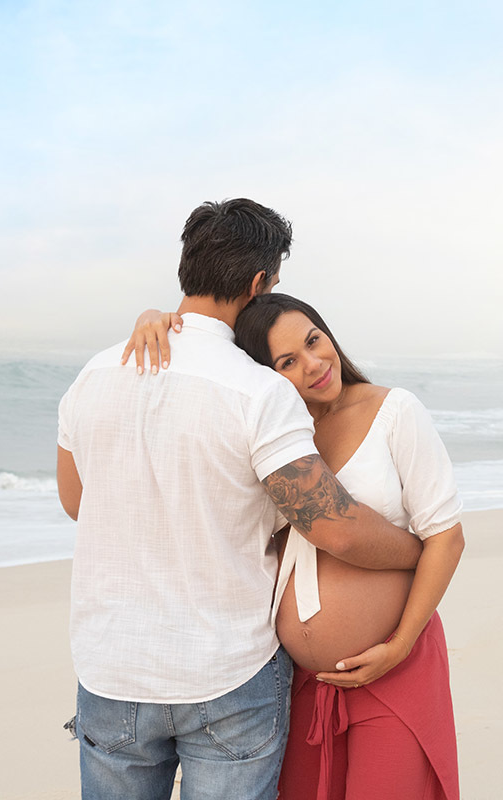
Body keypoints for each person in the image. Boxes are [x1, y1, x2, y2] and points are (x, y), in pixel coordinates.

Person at [56, 199, 423, 800]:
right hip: (225, 674)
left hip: (112, 669)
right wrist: (421, 551)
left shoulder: (93, 376)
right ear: (259, 283)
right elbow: (336, 527)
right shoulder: (257, 392)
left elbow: (77, 502)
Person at [126, 293, 465, 800]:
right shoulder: (270, 430)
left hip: (395, 663)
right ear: (265, 373)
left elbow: (446, 536)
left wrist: (399, 646)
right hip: (297, 682)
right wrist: (154, 320)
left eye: (314, 341)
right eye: (287, 361)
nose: (313, 364)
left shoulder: (393, 411)